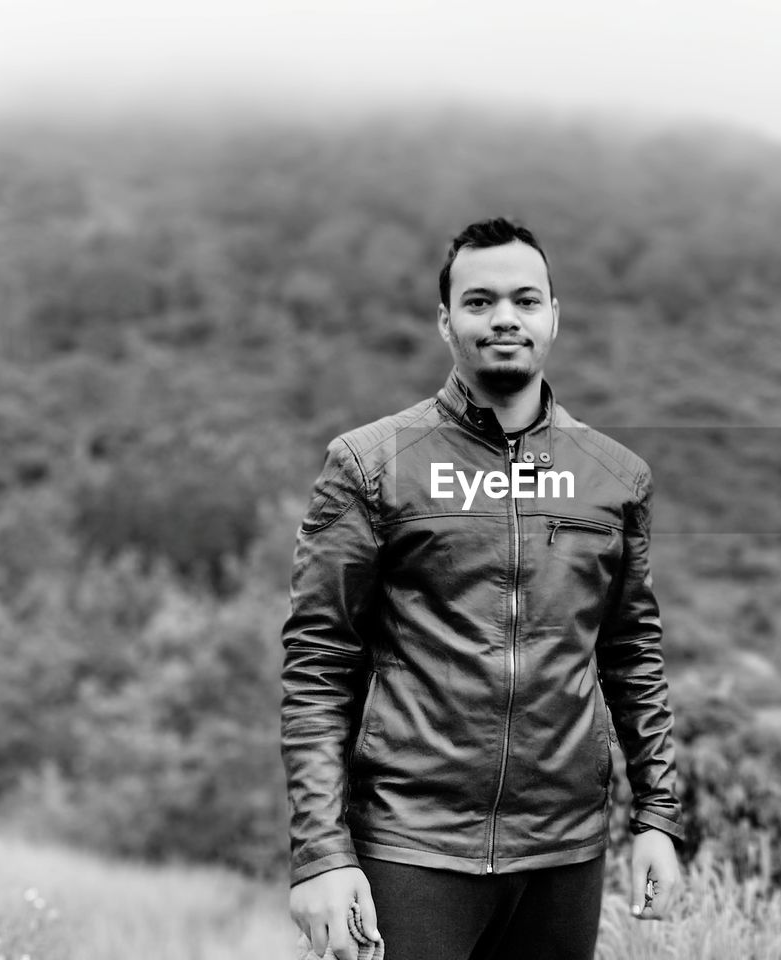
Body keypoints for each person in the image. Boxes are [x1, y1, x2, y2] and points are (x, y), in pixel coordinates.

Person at [280, 216, 684, 960]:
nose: (505, 317)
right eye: (480, 301)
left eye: (526, 300)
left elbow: (632, 658)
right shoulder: (370, 465)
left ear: (554, 317)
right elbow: (318, 665)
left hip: (565, 855)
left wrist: (658, 817)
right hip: (411, 847)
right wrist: (321, 854)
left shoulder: (615, 477)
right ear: (446, 321)